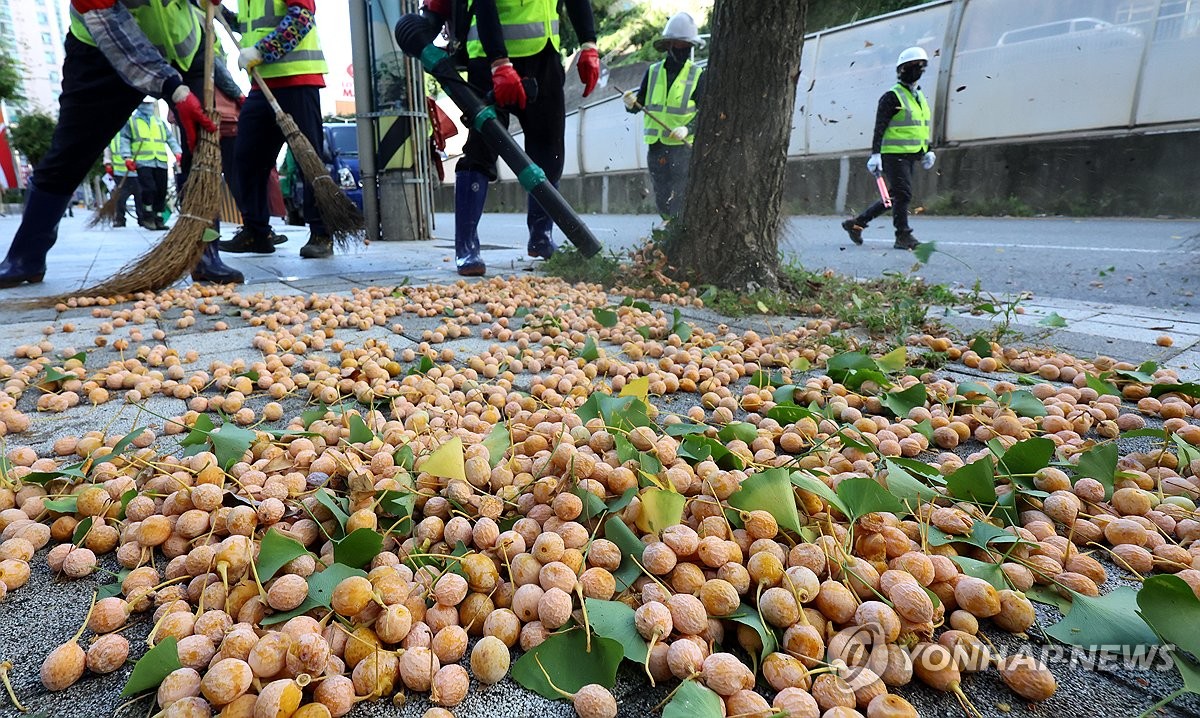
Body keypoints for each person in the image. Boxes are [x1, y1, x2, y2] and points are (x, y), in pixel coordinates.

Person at [0, 0, 241, 289]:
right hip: (104, 50)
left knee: (204, 143)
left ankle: (203, 251)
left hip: (183, 49)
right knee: (71, 151)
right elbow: (114, 29)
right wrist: (173, 89)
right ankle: (26, 255)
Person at [422, 0, 599, 276]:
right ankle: (466, 246)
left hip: (544, 56)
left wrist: (589, 43)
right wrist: (499, 62)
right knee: (482, 147)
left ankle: (541, 235)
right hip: (490, 59)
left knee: (550, 150)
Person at [219, 0, 332, 259]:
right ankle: (257, 232)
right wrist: (220, 13)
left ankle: (321, 234)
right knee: (247, 157)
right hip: (262, 84)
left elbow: (300, 19)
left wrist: (261, 51)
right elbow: (249, 27)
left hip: (298, 79)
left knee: (308, 159)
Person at [841, 46, 936, 251]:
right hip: (893, 155)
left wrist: (928, 149)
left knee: (893, 197)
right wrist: (875, 155)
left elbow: (921, 126)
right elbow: (880, 127)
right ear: (901, 70)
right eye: (912, 66)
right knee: (903, 194)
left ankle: (857, 223)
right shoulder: (892, 97)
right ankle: (902, 235)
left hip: (911, 155)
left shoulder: (918, 97)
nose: (917, 69)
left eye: (921, 66)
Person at [623, 12, 705, 223]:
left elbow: (707, 113)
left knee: (680, 190)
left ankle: (676, 229)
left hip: (682, 147)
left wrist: (689, 128)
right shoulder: (653, 72)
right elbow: (639, 104)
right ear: (669, 45)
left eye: (688, 45)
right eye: (679, 44)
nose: (684, 49)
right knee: (661, 191)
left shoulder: (698, 75)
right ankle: (668, 223)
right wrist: (630, 103)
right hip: (657, 145)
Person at [121, 100, 182, 230]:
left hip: (160, 161)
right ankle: (148, 215)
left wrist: (177, 152)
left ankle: (158, 218)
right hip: (143, 161)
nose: (148, 106)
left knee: (161, 190)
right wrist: (127, 157)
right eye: (146, 103)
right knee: (149, 189)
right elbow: (124, 139)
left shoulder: (158, 122)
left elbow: (170, 138)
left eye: (150, 104)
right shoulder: (132, 122)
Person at [104, 121, 142, 227]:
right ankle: (120, 219)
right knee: (120, 197)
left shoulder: (131, 130)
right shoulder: (112, 133)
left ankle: (142, 218)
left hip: (135, 170)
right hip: (119, 172)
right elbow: (108, 149)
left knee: (140, 196)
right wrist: (107, 163)